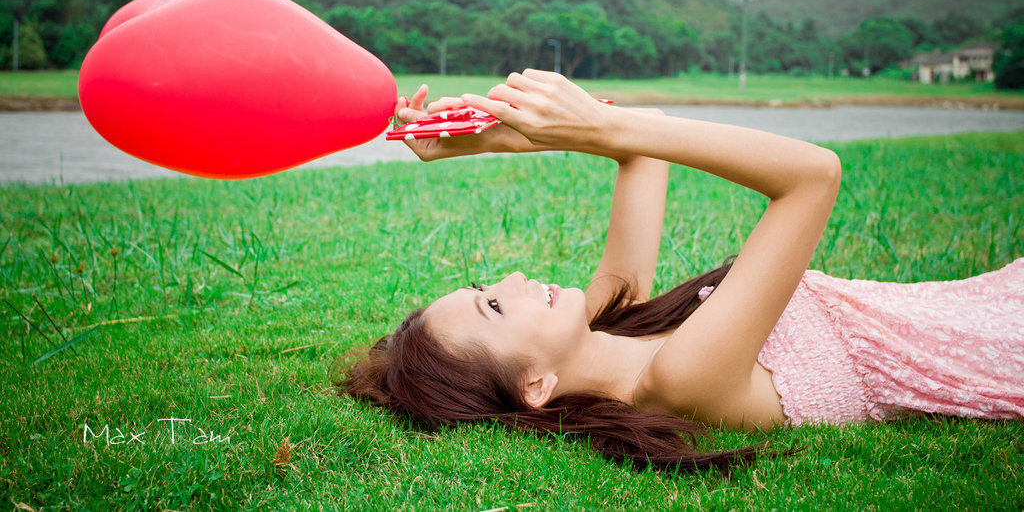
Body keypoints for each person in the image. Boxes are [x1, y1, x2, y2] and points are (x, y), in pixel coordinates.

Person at [337, 69, 1024, 472]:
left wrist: (490, 141)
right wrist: (600, 128)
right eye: (494, 307)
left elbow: (645, 147)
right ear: (536, 385)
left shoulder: (617, 321)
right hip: (981, 347)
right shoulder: (676, 379)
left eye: (484, 285)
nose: (512, 280)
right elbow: (813, 176)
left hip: (964, 306)